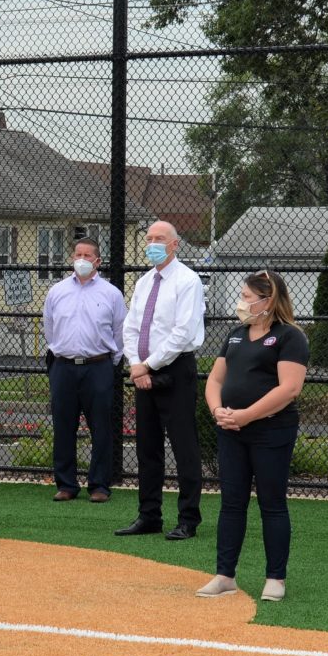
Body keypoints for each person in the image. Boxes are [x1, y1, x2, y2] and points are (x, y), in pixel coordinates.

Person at [198, 271, 310, 601]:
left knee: (272, 504)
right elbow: (215, 380)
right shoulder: (235, 334)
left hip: (271, 431)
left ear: (268, 301)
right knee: (231, 504)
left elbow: (290, 387)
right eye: (243, 296)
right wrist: (218, 410)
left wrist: (246, 415)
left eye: (248, 297)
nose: (242, 303)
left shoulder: (290, 337)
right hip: (231, 431)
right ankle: (224, 575)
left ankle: (276, 577)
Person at [116, 221, 206, 541]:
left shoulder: (188, 281)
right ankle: (149, 514)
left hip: (176, 371)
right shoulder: (143, 282)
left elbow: (182, 333)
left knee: (184, 446)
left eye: (159, 239)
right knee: (147, 447)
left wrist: (148, 366)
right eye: (149, 238)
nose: (152, 244)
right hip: (144, 372)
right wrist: (136, 364)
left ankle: (188, 519)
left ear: (175, 244)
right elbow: (131, 328)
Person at [42, 235, 126, 502]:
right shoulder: (56, 292)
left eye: (87, 255)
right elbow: (50, 329)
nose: (81, 260)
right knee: (63, 426)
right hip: (63, 367)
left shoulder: (112, 294)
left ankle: (99, 485)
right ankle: (66, 484)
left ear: (98, 261)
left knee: (101, 427)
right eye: (78, 254)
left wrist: (108, 365)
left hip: (98, 366)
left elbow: (120, 332)